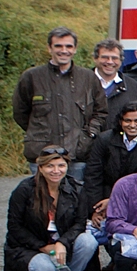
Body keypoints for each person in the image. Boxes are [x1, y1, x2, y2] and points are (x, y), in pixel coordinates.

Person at [3, 146, 101, 271]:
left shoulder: (77, 188)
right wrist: (42, 246)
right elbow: (15, 227)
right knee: (43, 269)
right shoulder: (24, 190)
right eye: (50, 166)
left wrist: (62, 242)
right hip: (30, 247)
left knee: (89, 240)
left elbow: (80, 223)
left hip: (62, 243)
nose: (56, 171)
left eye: (61, 166)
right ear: (40, 168)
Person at [13, 26, 107, 179]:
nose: (64, 50)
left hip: (77, 154)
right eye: (58, 46)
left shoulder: (88, 78)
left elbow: (101, 111)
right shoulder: (32, 77)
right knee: (42, 199)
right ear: (49, 48)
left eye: (69, 46)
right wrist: (39, 131)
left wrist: (87, 135)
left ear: (75, 49)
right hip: (42, 155)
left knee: (74, 199)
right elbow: (20, 112)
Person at [84, 102, 137, 269]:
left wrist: (114, 201)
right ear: (120, 121)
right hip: (103, 197)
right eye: (127, 121)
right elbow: (93, 175)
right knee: (99, 226)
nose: (132, 125)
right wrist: (96, 209)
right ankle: (116, 258)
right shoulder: (105, 140)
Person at [92, 38, 137, 132]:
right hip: (87, 143)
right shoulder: (83, 82)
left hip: (120, 144)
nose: (110, 62)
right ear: (95, 58)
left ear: (121, 60)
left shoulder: (133, 86)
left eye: (114, 58)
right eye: (105, 57)